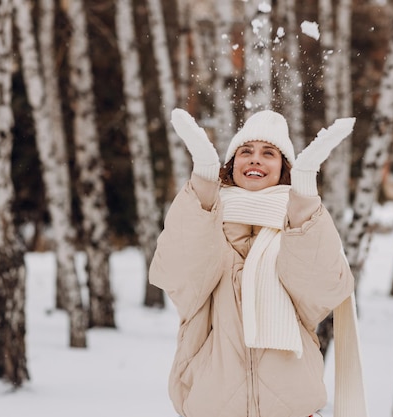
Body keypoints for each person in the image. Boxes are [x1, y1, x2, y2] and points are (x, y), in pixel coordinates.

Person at [149, 108, 368, 417]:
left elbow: (322, 291)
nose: (255, 159)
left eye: (269, 153)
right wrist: (203, 179)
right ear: (231, 164)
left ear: (284, 169)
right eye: (246, 151)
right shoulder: (209, 225)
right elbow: (179, 273)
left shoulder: (300, 229)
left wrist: (304, 196)